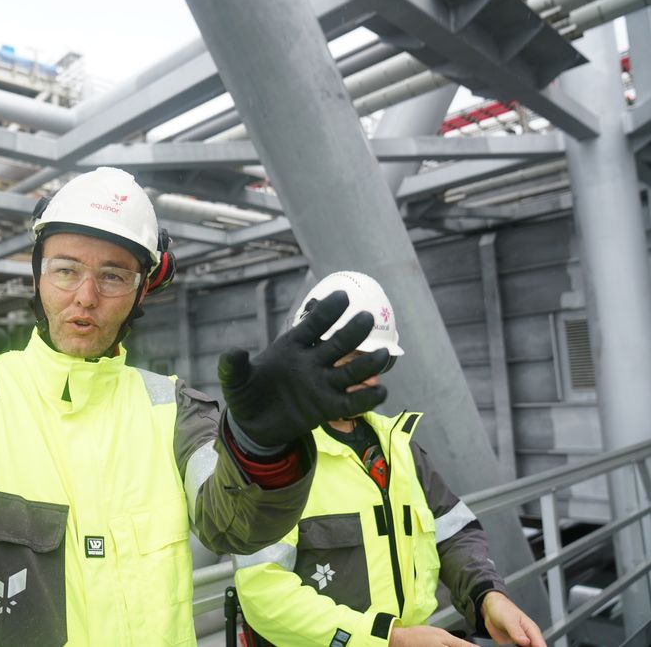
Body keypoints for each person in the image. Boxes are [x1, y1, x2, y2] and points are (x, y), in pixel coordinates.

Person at [0, 167, 392, 646]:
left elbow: (230, 524)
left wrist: (262, 452)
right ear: (36, 275)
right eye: (66, 270)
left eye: (112, 277)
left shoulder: (170, 410)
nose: (84, 298)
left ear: (142, 289)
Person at [233, 271, 546, 647]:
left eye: (376, 363)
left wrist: (487, 595)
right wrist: (388, 639)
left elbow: (453, 532)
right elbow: (263, 593)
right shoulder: (275, 460)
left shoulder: (398, 446)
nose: (366, 378)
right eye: (350, 360)